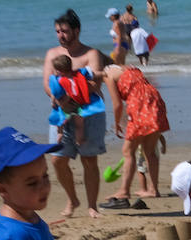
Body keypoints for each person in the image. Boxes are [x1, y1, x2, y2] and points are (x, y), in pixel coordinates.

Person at [43, 9, 110, 220]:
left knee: (89, 160)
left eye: (64, 31)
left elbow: (95, 84)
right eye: (57, 31)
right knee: (57, 160)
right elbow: (47, 83)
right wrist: (61, 98)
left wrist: (73, 93)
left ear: (76, 30)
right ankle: (72, 199)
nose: (61, 35)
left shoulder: (91, 54)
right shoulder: (52, 54)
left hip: (89, 113)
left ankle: (92, 206)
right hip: (61, 112)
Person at [101, 65, 169, 208]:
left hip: (140, 103)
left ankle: (124, 191)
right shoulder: (127, 67)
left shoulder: (107, 73)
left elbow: (117, 104)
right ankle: (153, 189)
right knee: (149, 151)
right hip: (155, 98)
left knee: (128, 151)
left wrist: (117, 123)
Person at [48, 55, 98, 147]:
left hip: (65, 106)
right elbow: (90, 74)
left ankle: (60, 134)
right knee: (79, 125)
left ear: (61, 70)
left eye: (57, 70)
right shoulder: (76, 76)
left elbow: (54, 93)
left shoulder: (59, 80)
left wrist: (53, 102)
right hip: (77, 105)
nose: (56, 73)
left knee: (60, 123)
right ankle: (79, 140)